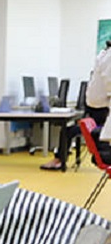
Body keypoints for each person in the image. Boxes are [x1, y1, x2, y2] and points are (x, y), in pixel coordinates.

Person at [42, 41, 111, 170]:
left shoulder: (105, 56)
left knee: (68, 130)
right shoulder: (107, 59)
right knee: (68, 131)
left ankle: (59, 159)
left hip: (100, 123)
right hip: (102, 127)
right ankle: (59, 159)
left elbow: (93, 100)